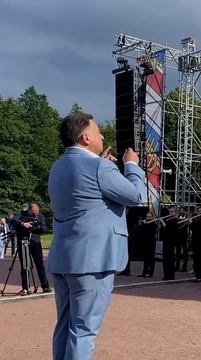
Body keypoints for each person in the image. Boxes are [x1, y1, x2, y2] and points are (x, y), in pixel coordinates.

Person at [47, 112, 146, 359]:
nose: (102, 134)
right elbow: (135, 196)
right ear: (85, 137)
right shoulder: (101, 166)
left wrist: (106, 167)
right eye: (98, 130)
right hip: (93, 260)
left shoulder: (57, 167)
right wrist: (132, 166)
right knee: (83, 331)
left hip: (64, 258)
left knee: (65, 326)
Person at [11, 202, 50, 295]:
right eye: (33, 211)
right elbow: (13, 220)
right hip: (24, 242)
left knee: (40, 265)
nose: (35, 213)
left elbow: (44, 228)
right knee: (25, 266)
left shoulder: (40, 216)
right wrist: (23, 224)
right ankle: (26, 288)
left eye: (37, 211)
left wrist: (36, 226)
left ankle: (45, 286)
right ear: (29, 209)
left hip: (35, 242)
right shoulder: (21, 214)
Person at [160, 207, 179, 281]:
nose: (171, 213)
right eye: (170, 211)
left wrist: (162, 221)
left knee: (169, 259)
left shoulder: (174, 220)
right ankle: (168, 275)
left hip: (170, 242)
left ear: (175, 212)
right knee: (167, 259)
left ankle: (169, 276)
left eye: (173, 211)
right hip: (166, 241)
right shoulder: (169, 219)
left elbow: (167, 228)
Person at [137, 213, 158, 278]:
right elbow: (141, 231)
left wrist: (145, 224)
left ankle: (150, 273)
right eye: (147, 216)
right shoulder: (145, 224)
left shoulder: (153, 224)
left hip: (151, 243)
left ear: (152, 217)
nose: (148, 217)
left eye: (150, 216)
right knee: (145, 258)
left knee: (151, 258)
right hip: (145, 243)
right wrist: (141, 224)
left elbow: (151, 232)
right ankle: (144, 272)